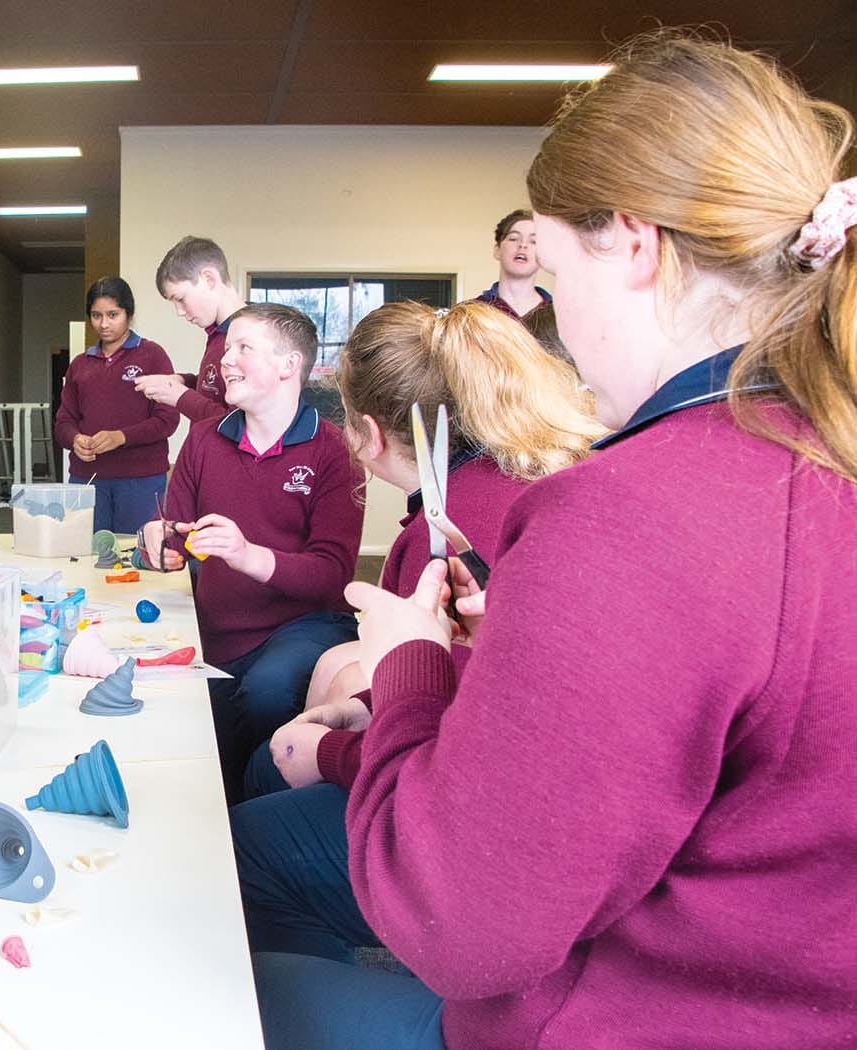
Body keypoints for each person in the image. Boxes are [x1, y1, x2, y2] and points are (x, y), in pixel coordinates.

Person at [253, 34, 857, 1049]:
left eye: (555, 270)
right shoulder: (818, 458)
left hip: (623, 1018)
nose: (562, 329)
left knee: (229, 983)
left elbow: (456, 926)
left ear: (631, 240)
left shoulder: (634, 507)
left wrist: (410, 662)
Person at [244, 299, 603, 797]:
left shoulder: (436, 538)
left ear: (367, 434)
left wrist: (328, 755)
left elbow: (451, 746)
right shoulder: (509, 479)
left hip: (495, 793)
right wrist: (368, 704)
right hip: (520, 754)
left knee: (260, 797)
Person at [137, 303, 362, 804]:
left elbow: (333, 575)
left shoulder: (334, 452)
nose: (224, 362)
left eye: (244, 348)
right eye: (226, 348)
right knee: (178, 717)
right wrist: (158, 539)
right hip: (216, 630)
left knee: (265, 694)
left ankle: (255, 817)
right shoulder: (202, 439)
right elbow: (175, 532)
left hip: (301, 628)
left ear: (289, 365)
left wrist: (246, 555)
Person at [53, 276, 180, 533]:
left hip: (141, 481)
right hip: (87, 480)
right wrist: (74, 439)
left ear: (129, 314)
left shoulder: (153, 355)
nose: (104, 324)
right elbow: (63, 421)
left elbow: (167, 420)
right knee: (86, 556)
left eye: (113, 314)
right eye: (96, 315)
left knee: (140, 557)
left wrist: (121, 437)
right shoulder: (80, 364)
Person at [133, 236, 247, 422]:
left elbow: (239, 423)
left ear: (208, 279)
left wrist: (181, 397)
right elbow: (217, 389)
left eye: (180, 299)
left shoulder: (251, 337)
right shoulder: (218, 333)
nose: (179, 311)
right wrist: (184, 382)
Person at [473, 209, 551, 321]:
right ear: (497, 250)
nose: (523, 245)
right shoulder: (472, 314)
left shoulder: (560, 315)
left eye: (534, 241)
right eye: (514, 239)